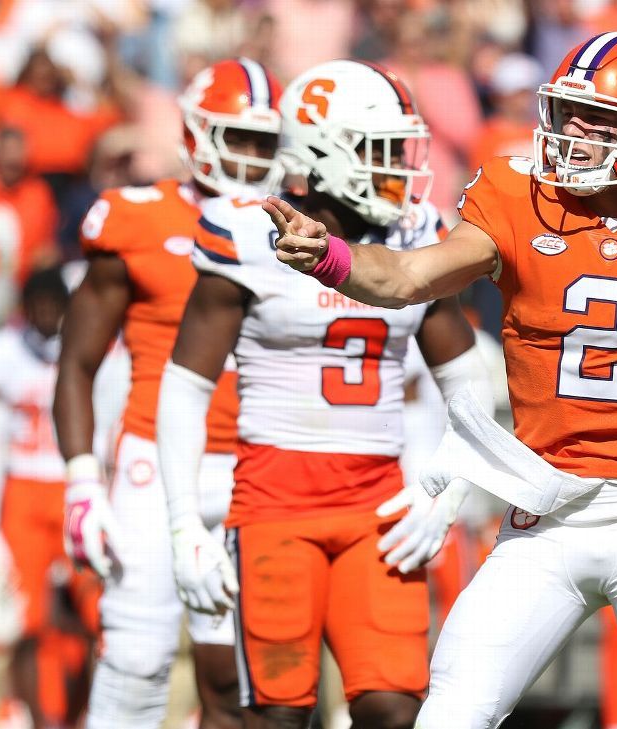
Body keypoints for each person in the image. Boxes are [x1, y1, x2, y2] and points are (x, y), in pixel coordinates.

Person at [266, 31, 617, 727]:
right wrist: (331, 258)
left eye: (601, 120)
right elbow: (411, 275)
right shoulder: (516, 193)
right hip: (544, 513)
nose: (574, 136)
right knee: (450, 715)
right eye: (569, 114)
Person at [158, 58, 491, 729]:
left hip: (377, 499)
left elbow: (467, 378)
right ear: (321, 151)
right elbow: (185, 387)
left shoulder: (413, 235)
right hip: (274, 499)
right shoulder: (247, 232)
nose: (400, 167)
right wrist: (181, 524)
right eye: (381, 151)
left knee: (395, 708)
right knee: (278, 713)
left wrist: (448, 490)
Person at [53, 57, 282, 729]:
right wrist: (81, 480)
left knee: (239, 677)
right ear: (194, 133)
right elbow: (76, 361)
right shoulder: (137, 218)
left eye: (261, 141)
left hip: (257, 465)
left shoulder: (297, 229)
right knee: (137, 654)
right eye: (233, 136)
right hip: (156, 461)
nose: (247, 154)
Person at [0, 267, 98, 727]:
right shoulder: (2, 354)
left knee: (93, 614)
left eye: (53, 306)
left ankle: (80, 711)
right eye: (38, 306)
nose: (46, 315)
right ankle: (33, 712)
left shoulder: (89, 346)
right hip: (21, 490)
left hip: (74, 485)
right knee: (24, 618)